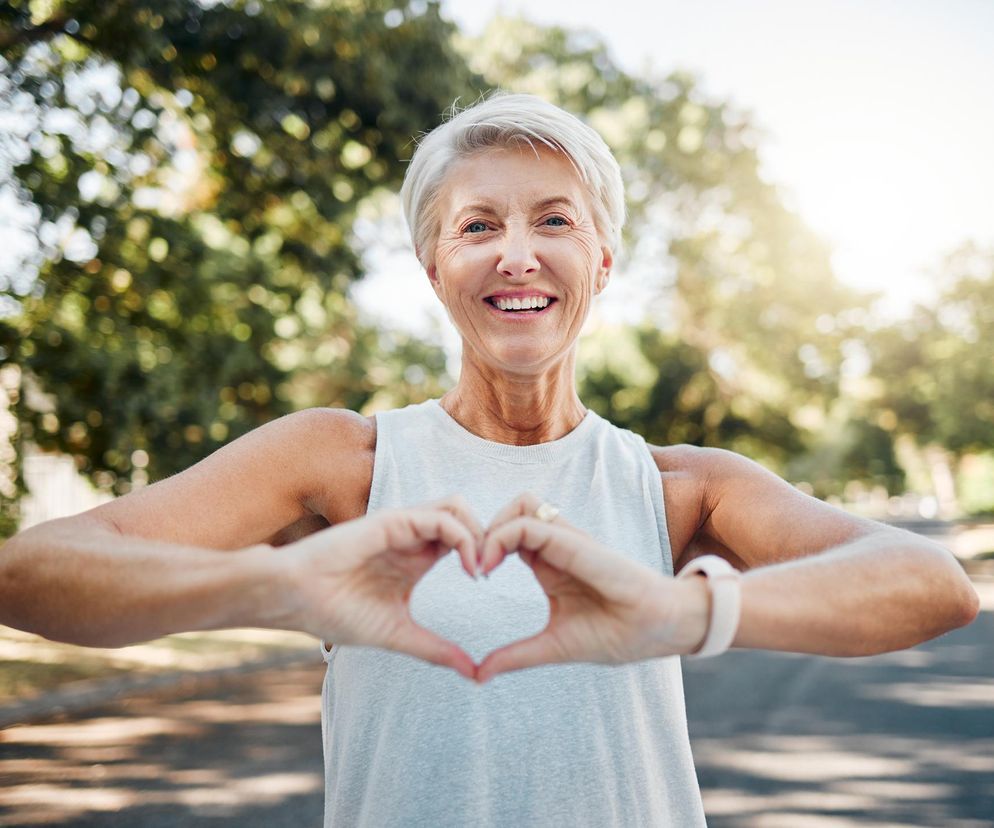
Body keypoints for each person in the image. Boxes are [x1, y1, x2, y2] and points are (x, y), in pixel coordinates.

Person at [0, 93, 979, 827]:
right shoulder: (342, 462)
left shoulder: (680, 489)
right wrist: (278, 586)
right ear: (434, 269)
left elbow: (930, 586)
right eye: (478, 226)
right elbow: (31, 575)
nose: (517, 254)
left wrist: (682, 610)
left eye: (553, 219)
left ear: (600, 261)